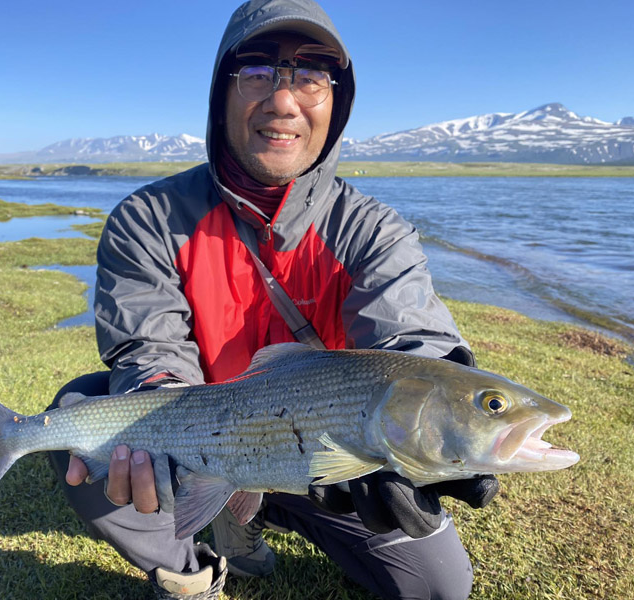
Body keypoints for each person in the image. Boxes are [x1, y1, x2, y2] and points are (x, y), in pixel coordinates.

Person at [48, 1, 499, 598]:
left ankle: (262, 512)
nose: (283, 102)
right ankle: (190, 569)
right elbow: (147, 347)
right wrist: (153, 401)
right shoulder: (148, 219)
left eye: (310, 76)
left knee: (440, 588)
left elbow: (413, 341)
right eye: (257, 73)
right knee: (80, 412)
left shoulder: (373, 231)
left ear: (336, 102)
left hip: (332, 463)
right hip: (201, 447)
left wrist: (448, 413)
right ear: (221, 95)